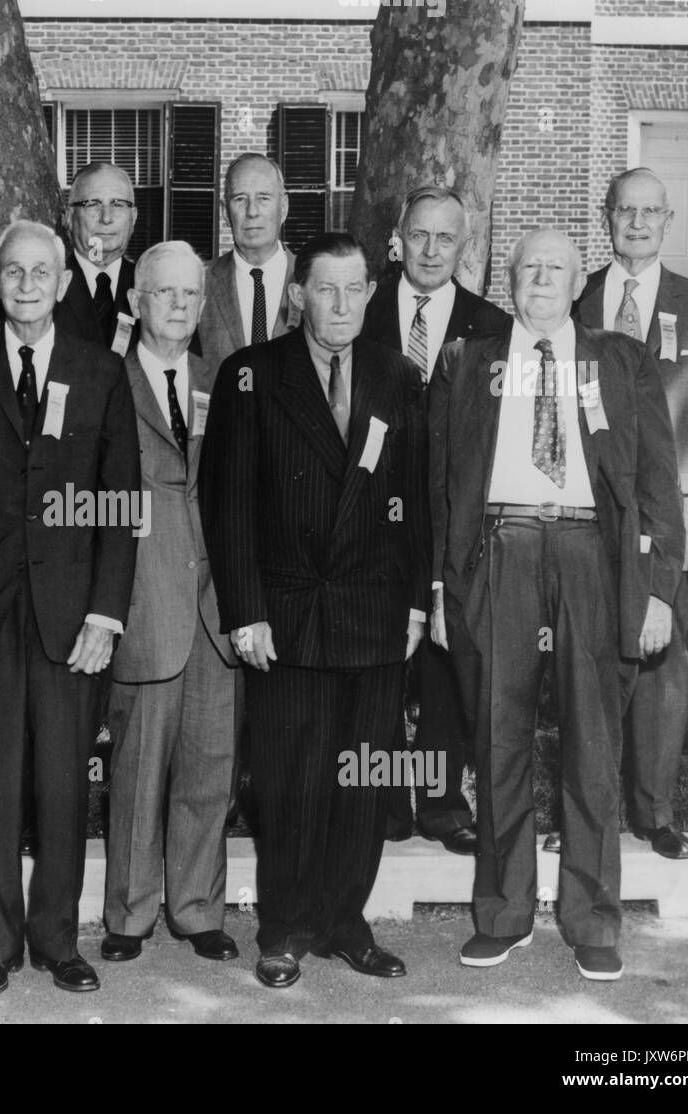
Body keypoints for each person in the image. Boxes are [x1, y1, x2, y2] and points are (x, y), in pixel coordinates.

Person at [431, 228, 684, 981]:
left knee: (592, 740)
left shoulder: (620, 360)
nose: (542, 278)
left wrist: (660, 589)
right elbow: (441, 483)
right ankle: (503, 913)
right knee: (498, 735)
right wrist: (441, 587)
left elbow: (658, 484)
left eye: (557, 268)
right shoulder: (467, 361)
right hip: (498, 551)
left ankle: (591, 919)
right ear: (510, 280)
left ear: (580, 283)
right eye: (528, 267)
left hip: (591, 558)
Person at [0, 220, 140, 997]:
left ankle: (57, 942)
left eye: (42, 270)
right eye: (14, 271)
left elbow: (119, 503)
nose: (28, 283)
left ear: (64, 283)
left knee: (63, 787)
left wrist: (106, 615)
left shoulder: (102, 372)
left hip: (70, 618)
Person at [202, 232, 428, 990]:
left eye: (354, 289)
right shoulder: (251, 375)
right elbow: (227, 502)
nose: (339, 305)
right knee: (293, 778)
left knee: (364, 777)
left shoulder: (399, 377)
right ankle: (285, 925)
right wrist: (245, 611)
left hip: (373, 612)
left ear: (372, 292)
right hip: (288, 615)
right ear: (299, 295)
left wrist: (419, 603)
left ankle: (345, 921)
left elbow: (418, 501)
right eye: (323, 289)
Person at [572, 167, 688, 862]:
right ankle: (590, 812)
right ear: (606, 217)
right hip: (589, 515)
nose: (637, 224)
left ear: (669, 221)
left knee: (667, 662)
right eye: (625, 212)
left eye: (650, 213)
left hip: (677, 519)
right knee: (589, 663)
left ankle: (657, 812)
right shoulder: (575, 298)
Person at [100, 241, 240, 965]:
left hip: (216, 613)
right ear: (136, 300)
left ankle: (197, 910)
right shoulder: (104, 383)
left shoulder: (226, 381)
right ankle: (128, 915)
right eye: (164, 293)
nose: (180, 306)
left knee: (207, 771)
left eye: (191, 294)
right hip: (143, 606)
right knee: (137, 773)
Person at [364, 185, 511, 855]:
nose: (429, 250)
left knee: (447, 663)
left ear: (465, 245)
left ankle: (445, 804)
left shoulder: (492, 327)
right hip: (374, 515)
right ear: (399, 237)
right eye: (418, 235)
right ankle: (390, 800)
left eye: (444, 239)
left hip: (455, 516)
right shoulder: (359, 311)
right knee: (383, 660)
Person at [197, 153, 299, 373]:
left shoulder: (310, 280)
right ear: (225, 213)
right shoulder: (198, 284)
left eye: (263, 198)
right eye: (240, 199)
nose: (252, 212)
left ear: (284, 207)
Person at [54, 162, 138, 350]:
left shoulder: (150, 288)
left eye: (118, 204)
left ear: (133, 217)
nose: (106, 218)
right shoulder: (46, 289)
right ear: (69, 217)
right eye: (92, 204)